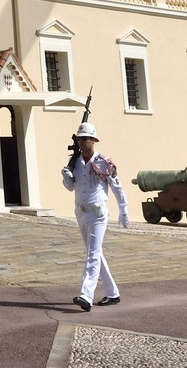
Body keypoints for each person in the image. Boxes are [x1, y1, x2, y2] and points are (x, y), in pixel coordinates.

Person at [60, 121, 129, 311]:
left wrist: (123, 210)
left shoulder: (103, 163)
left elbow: (117, 187)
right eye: (79, 139)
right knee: (95, 253)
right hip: (81, 213)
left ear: (94, 140)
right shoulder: (76, 163)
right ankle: (112, 293)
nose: (81, 143)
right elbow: (71, 186)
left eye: (85, 139)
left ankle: (86, 295)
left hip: (98, 214)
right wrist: (66, 175)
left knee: (91, 255)